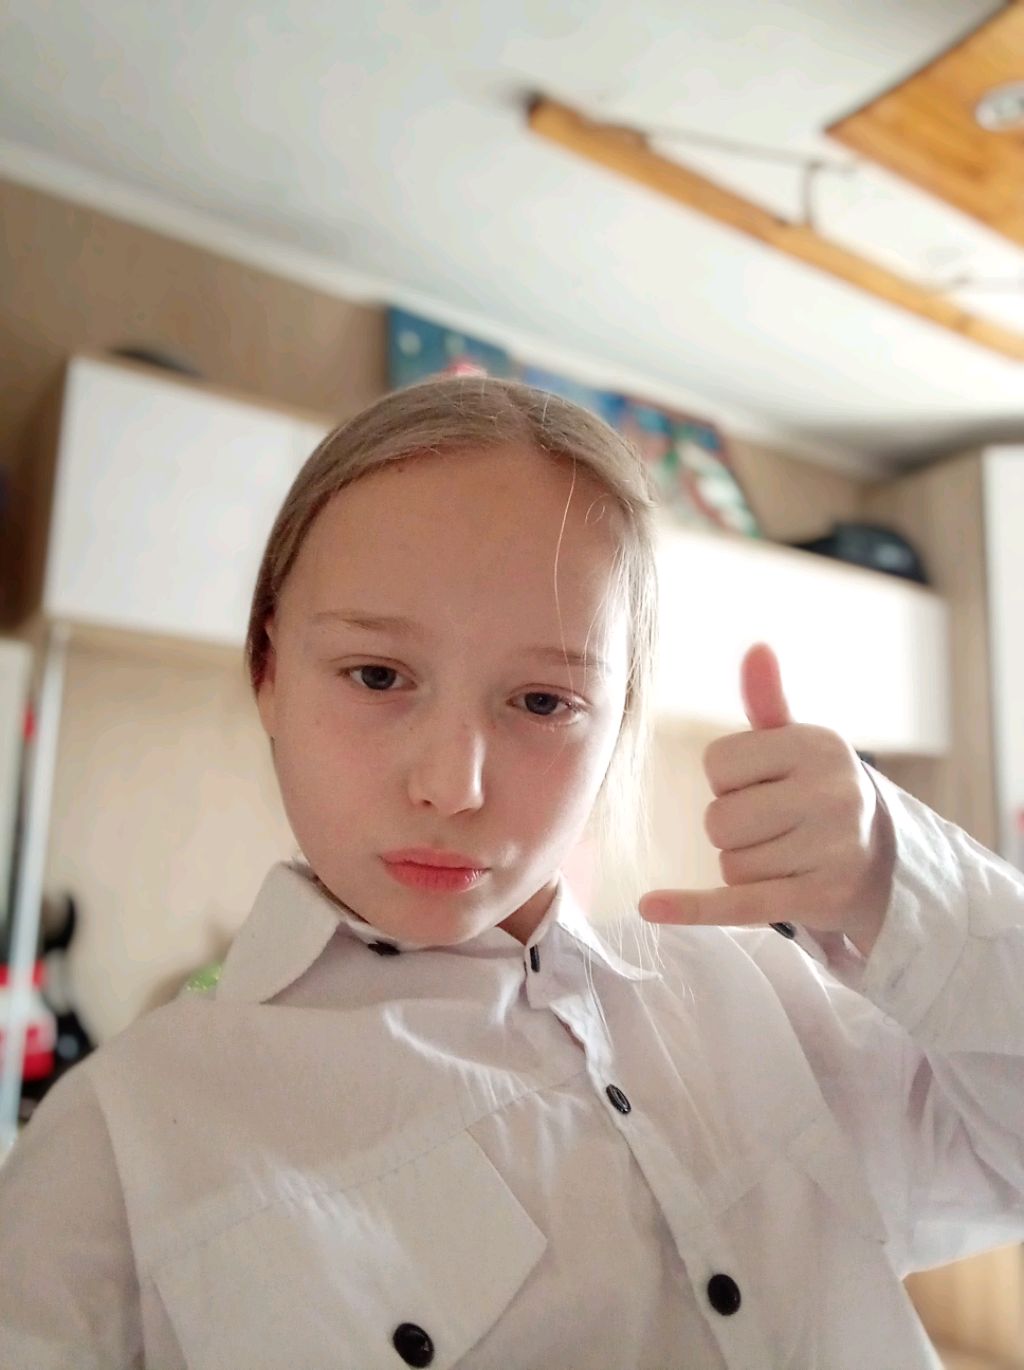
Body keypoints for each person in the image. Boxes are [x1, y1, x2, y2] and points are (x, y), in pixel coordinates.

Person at [0, 375, 1021, 1369]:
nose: (452, 786)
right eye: (377, 675)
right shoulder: (117, 1147)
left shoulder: (762, 1003)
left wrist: (901, 880)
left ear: (618, 719)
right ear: (268, 669)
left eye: (542, 702)